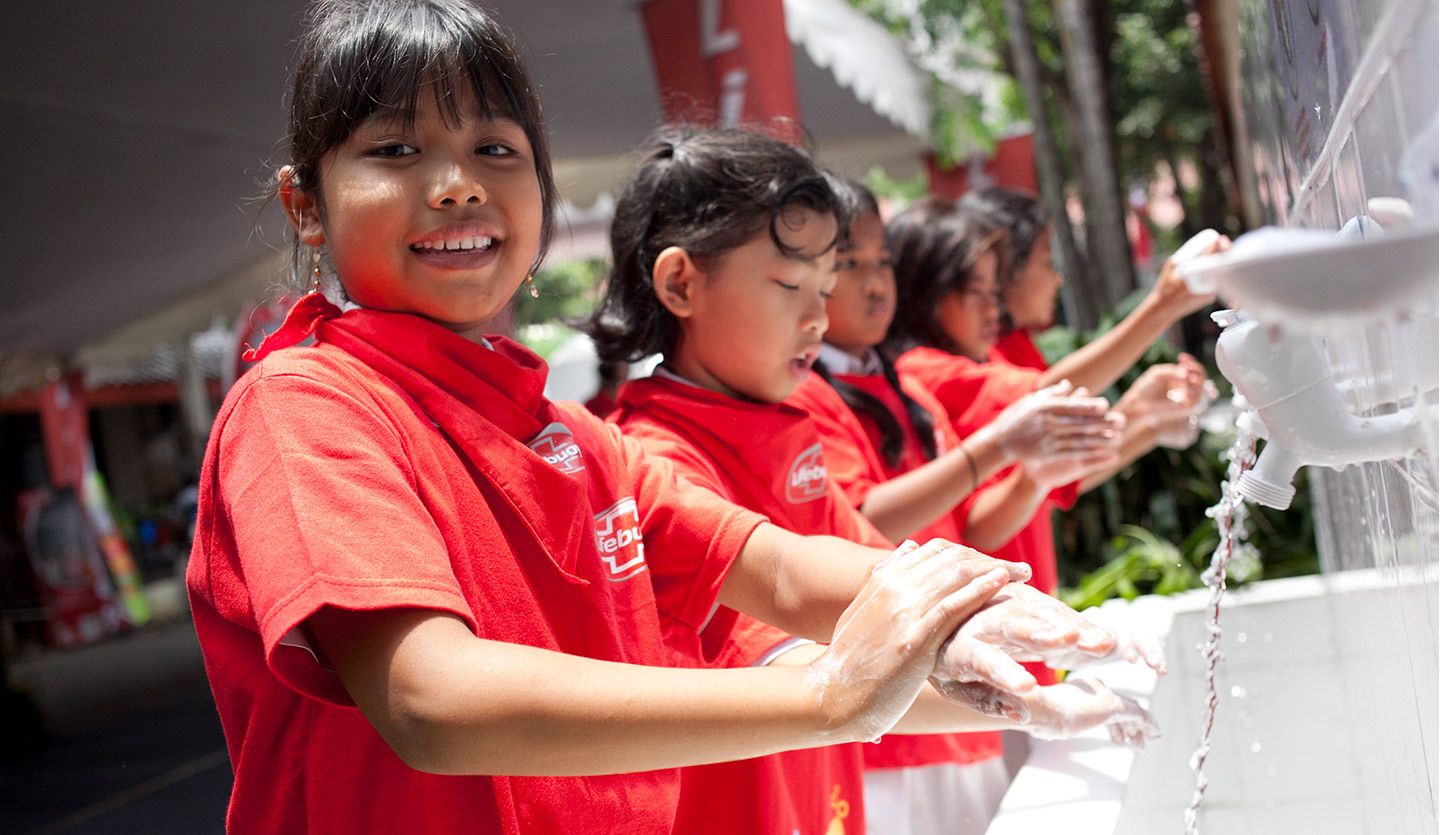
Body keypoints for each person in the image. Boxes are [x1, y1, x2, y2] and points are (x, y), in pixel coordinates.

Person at [186, 3, 1132, 833]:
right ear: (305, 204)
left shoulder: (562, 431)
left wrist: (998, 618)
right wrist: (827, 694)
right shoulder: (305, 406)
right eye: (396, 150)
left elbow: (777, 566)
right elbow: (429, 697)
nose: (457, 184)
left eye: (495, 149)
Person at [587, 128, 1160, 834]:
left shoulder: (786, 421)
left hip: (821, 785)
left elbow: (892, 580)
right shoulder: (654, 457)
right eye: (790, 284)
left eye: (824, 287)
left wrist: (1039, 643)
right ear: (680, 283)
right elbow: (803, 650)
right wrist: (1031, 689)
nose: (818, 316)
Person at [785, 179, 1124, 834]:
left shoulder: (903, 385)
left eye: (881, 261)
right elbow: (866, 522)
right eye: (848, 264)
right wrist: (994, 448)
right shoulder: (810, 395)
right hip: (891, 731)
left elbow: (970, 526)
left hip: (952, 704)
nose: (873, 282)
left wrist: (1029, 477)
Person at [889, 198, 1213, 622]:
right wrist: (1160, 307)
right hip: (994, 620)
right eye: (1046, 260)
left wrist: (1144, 420)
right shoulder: (926, 372)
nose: (1057, 278)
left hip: (1019, 615)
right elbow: (1045, 399)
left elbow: (1051, 478)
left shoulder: (983, 357)